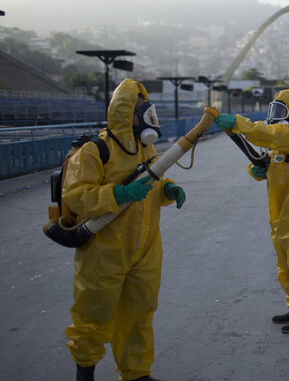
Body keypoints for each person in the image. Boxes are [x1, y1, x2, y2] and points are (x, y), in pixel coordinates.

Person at [63, 78, 185, 381]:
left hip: (144, 248)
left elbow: (152, 185)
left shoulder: (147, 149)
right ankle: (85, 371)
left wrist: (168, 190)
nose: (148, 118)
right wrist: (117, 194)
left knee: (139, 312)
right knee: (94, 312)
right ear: (126, 113)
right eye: (142, 111)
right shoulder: (95, 151)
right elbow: (76, 195)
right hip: (104, 250)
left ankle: (136, 372)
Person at [213, 87, 289, 334]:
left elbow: (265, 134)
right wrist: (258, 172)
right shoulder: (280, 143)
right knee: (285, 267)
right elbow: (274, 169)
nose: (276, 115)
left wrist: (238, 123)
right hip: (279, 214)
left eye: (281, 110)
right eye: (274, 109)